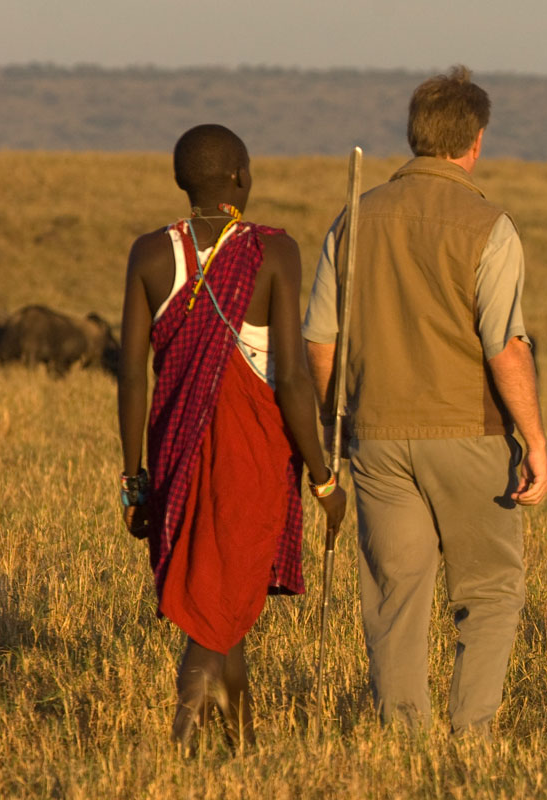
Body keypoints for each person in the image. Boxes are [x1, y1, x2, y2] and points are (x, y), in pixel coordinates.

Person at [302, 65, 547, 737]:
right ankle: (470, 739)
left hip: (375, 438)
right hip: (470, 432)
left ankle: (404, 742)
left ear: (415, 136)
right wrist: (535, 440)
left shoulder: (352, 219)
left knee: (394, 597)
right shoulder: (489, 225)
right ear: (475, 142)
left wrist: (331, 427)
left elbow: (320, 342)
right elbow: (506, 347)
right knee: (490, 593)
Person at [117, 123, 347, 747]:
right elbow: (294, 380)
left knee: (226, 598)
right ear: (242, 178)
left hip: (173, 450)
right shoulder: (275, 251)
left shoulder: (148, 253)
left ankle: (242, 746)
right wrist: (324, 477)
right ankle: (182, 743)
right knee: (214, 613)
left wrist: (135, 481)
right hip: (252, 454)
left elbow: (132, 378)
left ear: (180, 180)